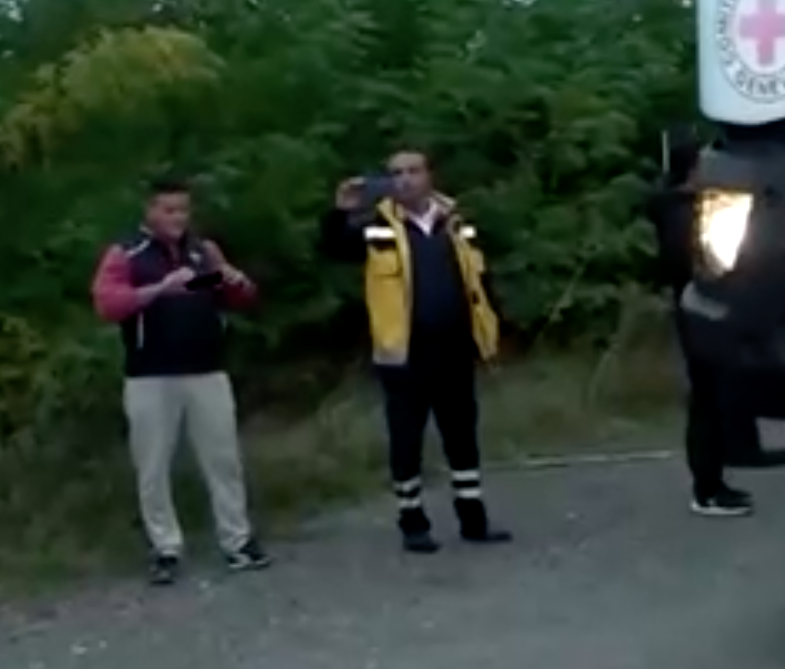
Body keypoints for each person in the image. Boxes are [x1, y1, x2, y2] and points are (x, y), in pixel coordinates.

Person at [318, 150, 514, 553]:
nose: (405, 179)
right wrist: (339, 213)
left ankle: (473, 518)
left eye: (413, 171)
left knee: (462, 434)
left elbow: (481, 279)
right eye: (396, 173)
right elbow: (334, 250)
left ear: (430, 175)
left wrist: (492, 333)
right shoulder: (376, 225)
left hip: (457, 346)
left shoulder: (457, 221)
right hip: (404, 351)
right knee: (406, 438)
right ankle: (412, 522)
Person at [89, 177, 274, 586]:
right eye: (168, 210)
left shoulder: (201, 251)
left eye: (183, 210)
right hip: (151, 375)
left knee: (223, 459)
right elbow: (108, 302)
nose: (177, 218)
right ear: (150, 212)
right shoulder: (128, 254)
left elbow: (222, 294)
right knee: (153, 466)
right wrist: (157, 289)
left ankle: (237, 540)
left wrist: (234, 281)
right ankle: (165, 547)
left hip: (206, 369)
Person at [646, 127, 759, 518]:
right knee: (706, 399)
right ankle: (707, 488)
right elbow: (691, 263)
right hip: (696, 309)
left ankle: (720, 475)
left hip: (700, 306)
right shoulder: (681, 212)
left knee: (719, 395)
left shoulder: (684, 207)